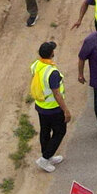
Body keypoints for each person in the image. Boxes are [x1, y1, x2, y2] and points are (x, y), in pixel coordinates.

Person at [30, 39, 67, 171]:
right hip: (53, 108)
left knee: (45, 131)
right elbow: (57, 94)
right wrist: (66, 111)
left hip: (41, 106)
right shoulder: (52, 72)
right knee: (60, 131)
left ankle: (48, 155)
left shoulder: (36, 65)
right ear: (52, 54)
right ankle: (45, 159)